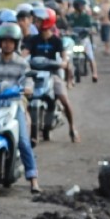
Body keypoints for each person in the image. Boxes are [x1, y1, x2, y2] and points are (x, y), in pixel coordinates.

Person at [0, 23, 41, 195]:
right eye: (4, 41)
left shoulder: (22, 64)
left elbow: (27, 81)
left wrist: (28, 88)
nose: (7, 44)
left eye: (11, 41)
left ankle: (33, 179)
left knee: (23, 140)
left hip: (14, 105)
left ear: (16, 43)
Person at [25, 7, 79, 142]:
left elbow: (64, 57)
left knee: (64, 100)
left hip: (52, 74)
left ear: (47, 22)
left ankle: (72, 128)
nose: (35, 24)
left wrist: (64, 62)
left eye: (38, 21)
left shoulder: (56, 41)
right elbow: (24, 53)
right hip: (34, 75)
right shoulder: (32, 40)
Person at [69, 0, 99, 82]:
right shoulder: (71, 16)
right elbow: (68, 25)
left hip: (84, 39)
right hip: (74, 39)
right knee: (68, 56)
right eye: (81, 5)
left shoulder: (86, 17)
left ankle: (95, 73)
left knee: (90, 56)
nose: (83, 7)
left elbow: (92, 26)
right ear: (76, 6)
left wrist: (92, 30)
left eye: (83, 5)